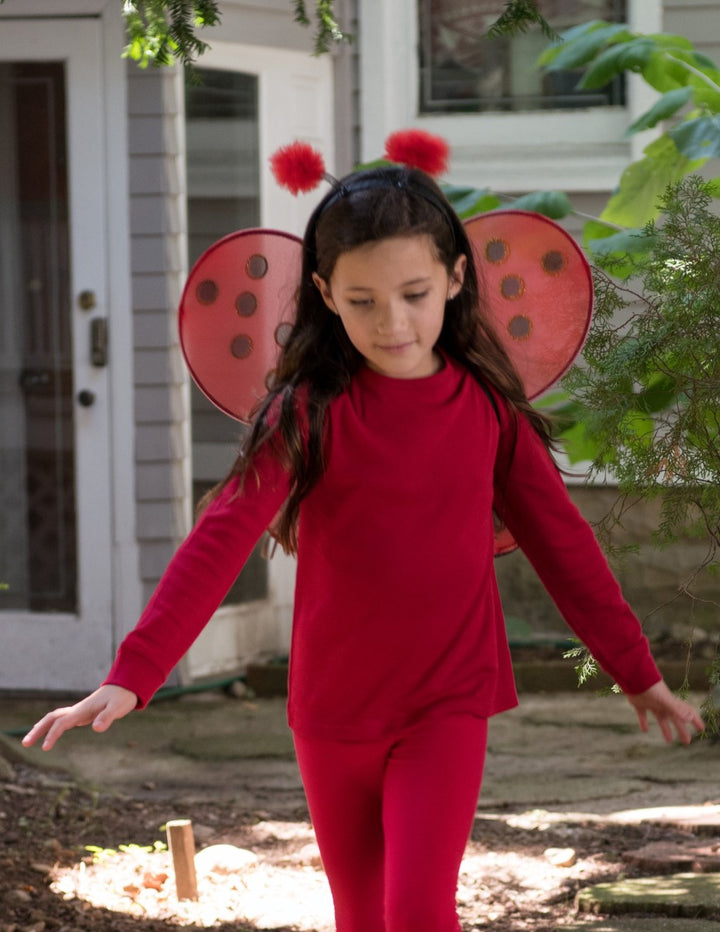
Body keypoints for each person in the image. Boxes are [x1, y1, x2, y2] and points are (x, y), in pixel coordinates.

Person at [24, 164, 704, 932]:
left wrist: (635, 671)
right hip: (333, 708)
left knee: (417, 910)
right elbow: (220, 539)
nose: (392, 323)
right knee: (361, 915)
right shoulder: (305, 413)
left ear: (454, 279)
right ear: (323, 293)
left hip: (447, 701)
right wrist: (135, 673)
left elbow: (565, 546)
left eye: (413, 294)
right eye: (362, 301)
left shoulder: (488, 411)